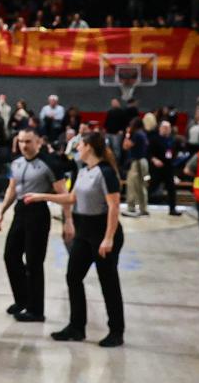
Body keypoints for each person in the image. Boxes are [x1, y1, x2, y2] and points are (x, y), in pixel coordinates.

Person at [26, 132, 126, 347]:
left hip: (103, 233)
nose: (77, 148)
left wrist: (108, 238)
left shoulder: (106, 173)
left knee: (108, 282)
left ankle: (116, 331)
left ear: (89, 146)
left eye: (79, 144)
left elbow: (114, 207)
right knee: (73, 276)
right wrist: (41, 196)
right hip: (84, 232)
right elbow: (71, 198)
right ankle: (76, 327)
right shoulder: (82, 171)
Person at [0, 129, 68, 322]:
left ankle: (36, 310)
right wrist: (1, 212)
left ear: (38, 142)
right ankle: (22, 300)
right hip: (20, 211)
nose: (24, 145)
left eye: (28, 141)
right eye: (20, 142)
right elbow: (12, 189)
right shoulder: (15, 163)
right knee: (10, 256)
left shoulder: (50, 163)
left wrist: (68, 222)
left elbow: (65, 196)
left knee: (34, 262)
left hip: (38, 212)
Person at [121, 118, 149, 216]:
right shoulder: (143, 134)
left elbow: (125, 146)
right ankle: (143, 208)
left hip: (137, 162)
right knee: (141, 186)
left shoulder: (136, 134)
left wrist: (127, 134)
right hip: (143, 161)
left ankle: (131, 208)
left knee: (133, 185)